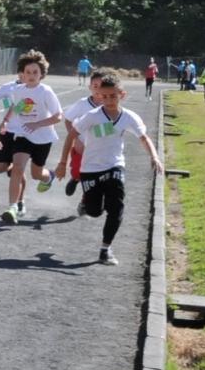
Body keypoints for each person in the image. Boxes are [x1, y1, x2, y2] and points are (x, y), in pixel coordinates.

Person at [68, 74, 163, 266]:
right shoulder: (92, 116)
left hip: (115, 165)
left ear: (122, 95)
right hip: (91, 168)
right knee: (94, 211)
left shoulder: (129, 117)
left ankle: (105, 249)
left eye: (113, 96)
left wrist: (154, 156)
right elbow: (72, 134)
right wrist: (63, 164)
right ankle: (87, 202)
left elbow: (144, 138)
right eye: (105, 96)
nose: (109, 100)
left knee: (116, 207)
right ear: (99, 96)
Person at [0, 50, 64, 224]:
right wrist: (5, 122)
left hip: (43, 137)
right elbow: (17, 107)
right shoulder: (18, 90)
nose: (31, 75)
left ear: (41, 74)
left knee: (36, 174)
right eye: (28, 72)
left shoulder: (45, 91)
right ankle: (12, 207)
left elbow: (58, 116)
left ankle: (49, 177)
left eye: (35, 72)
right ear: (22, 74)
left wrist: (37, 124)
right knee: (17, 167)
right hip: (23, 134)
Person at [53, 70, 109, 203]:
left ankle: (85, 201)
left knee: (93, 176)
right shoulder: (82, 104)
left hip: (98, 149)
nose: (98, 90)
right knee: (79, 172)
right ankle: (75, 179)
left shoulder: (110, 106)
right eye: (95, 86)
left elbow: (111, 127)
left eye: (102, 86)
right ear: (90, 87)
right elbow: (67, 120)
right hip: (80, 147)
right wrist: (75, 139)